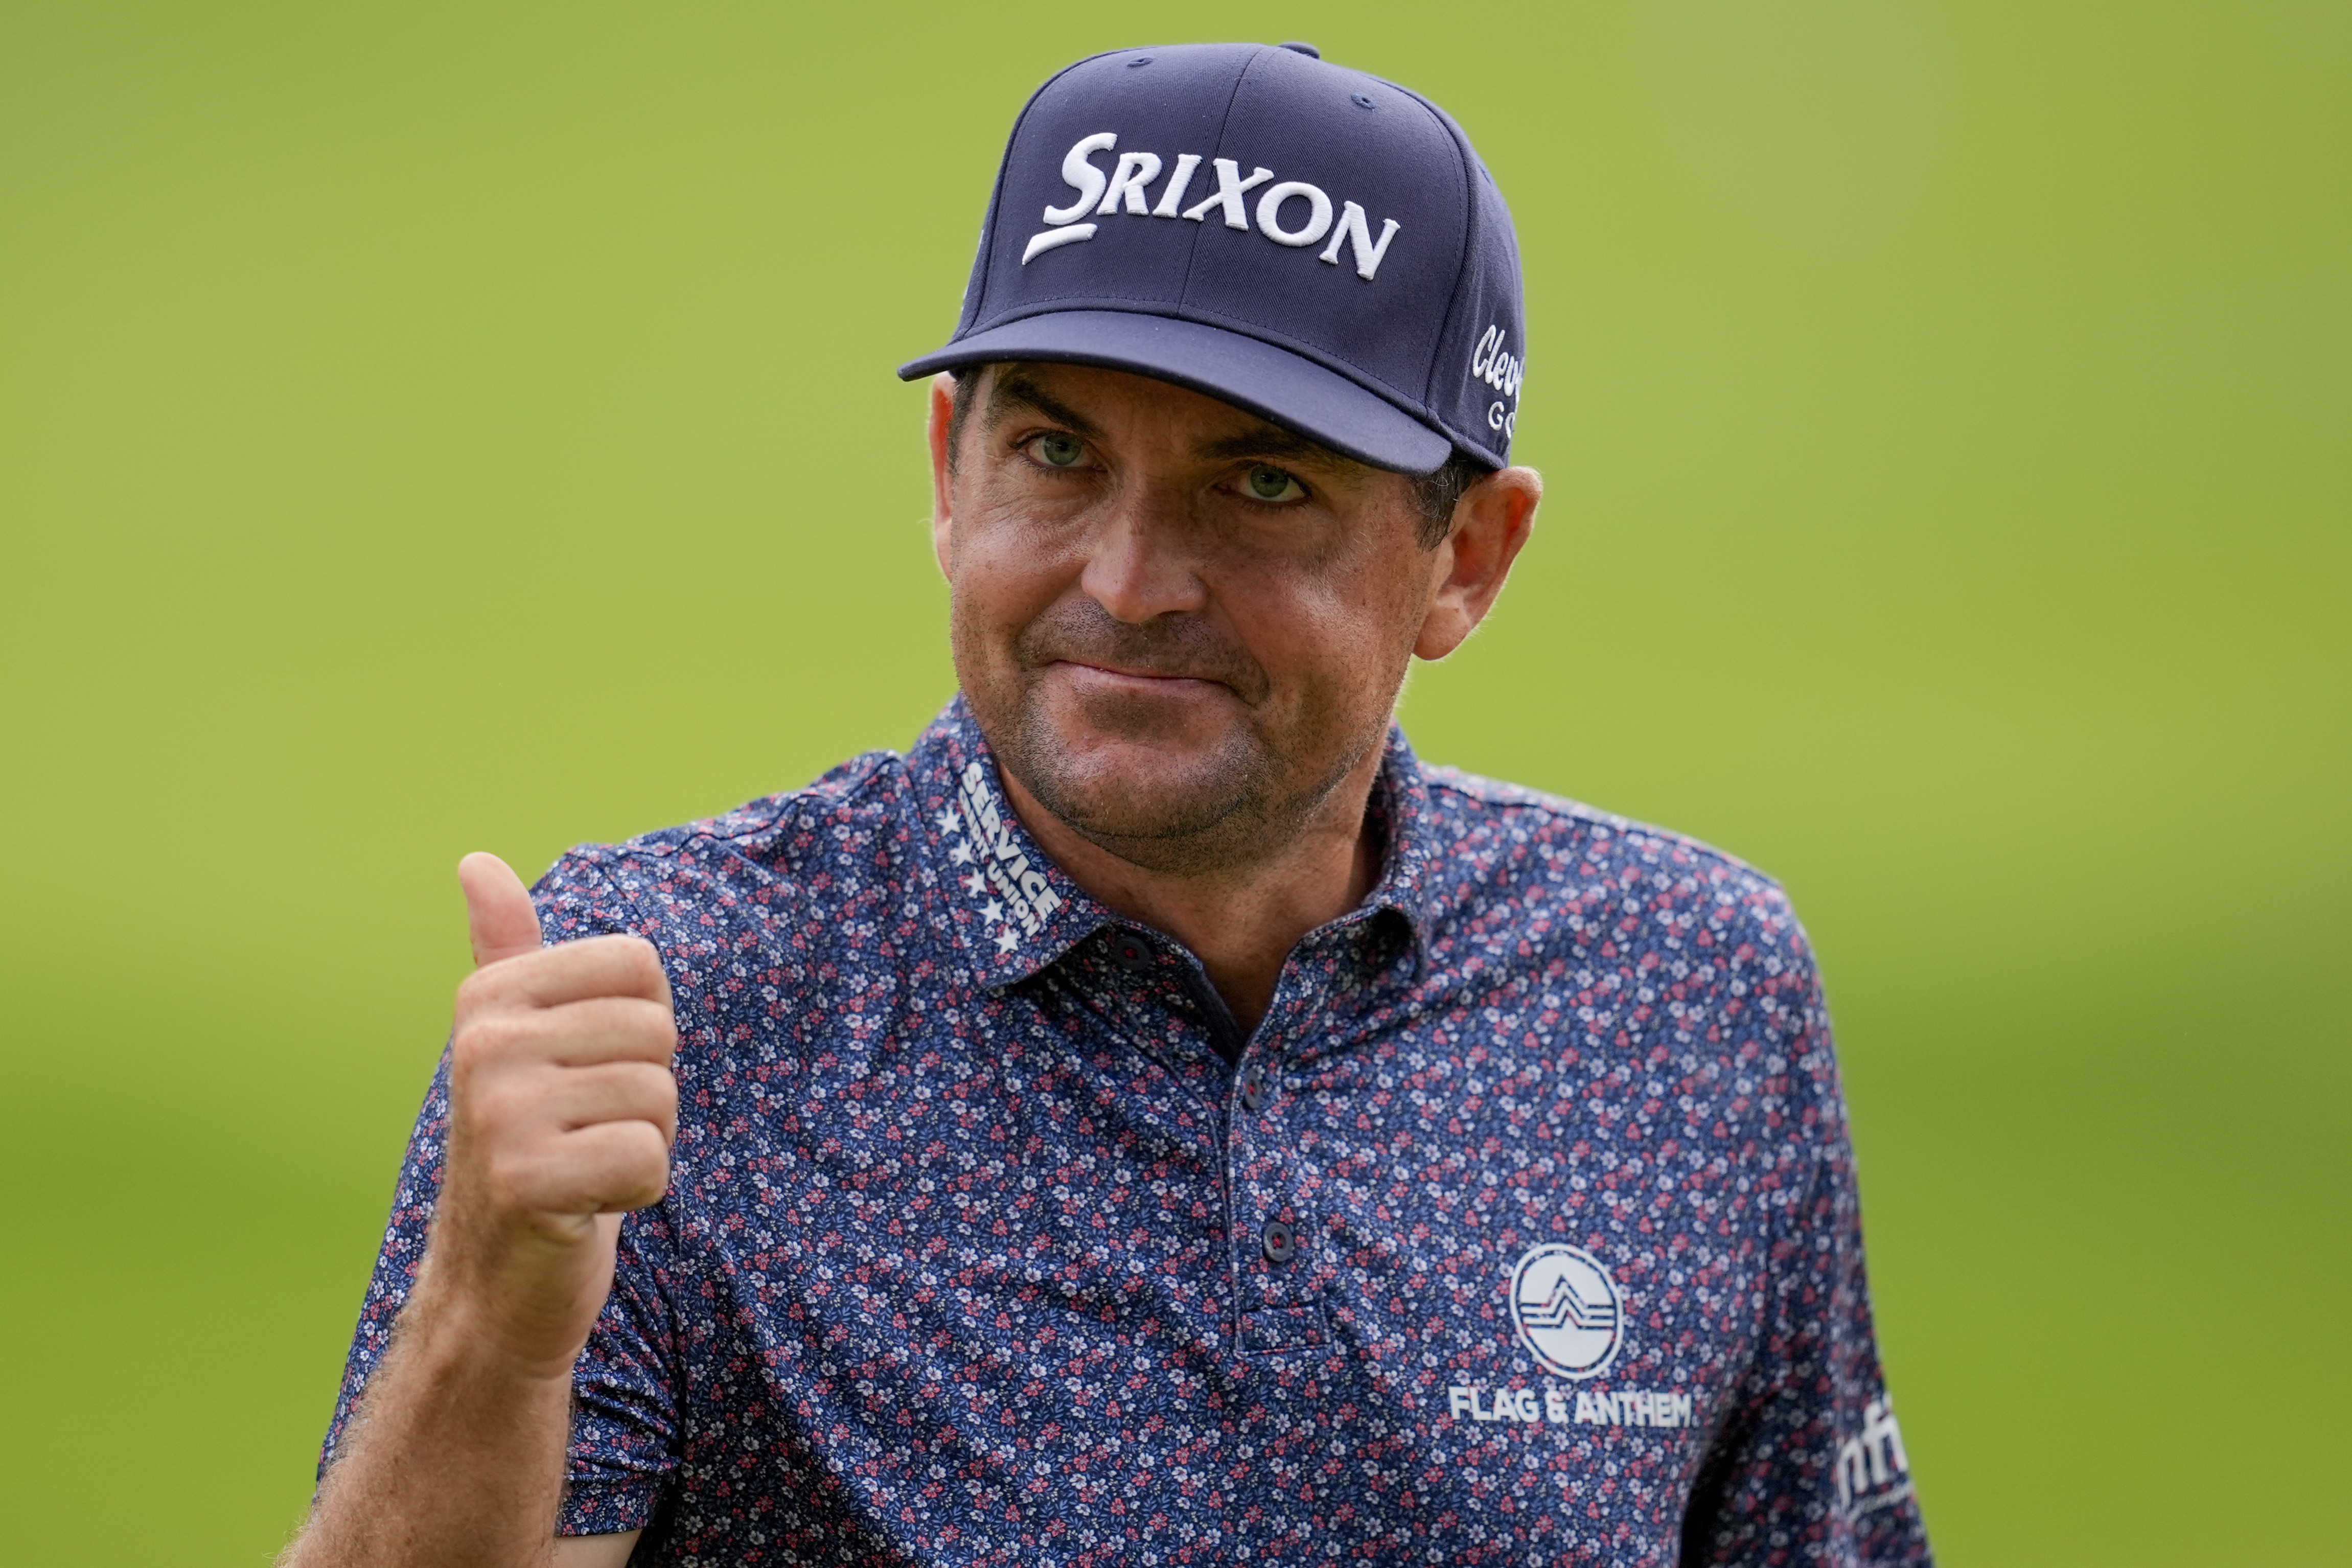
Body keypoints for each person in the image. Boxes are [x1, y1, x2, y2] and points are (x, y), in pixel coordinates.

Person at [286, 40, 1930, 1568]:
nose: (1130, 581)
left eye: (1261, 483)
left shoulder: (1685, 991)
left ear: (1468, 557)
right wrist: (488, 1333)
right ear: (949, 471)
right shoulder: (659, 1009)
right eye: (1059, 456)